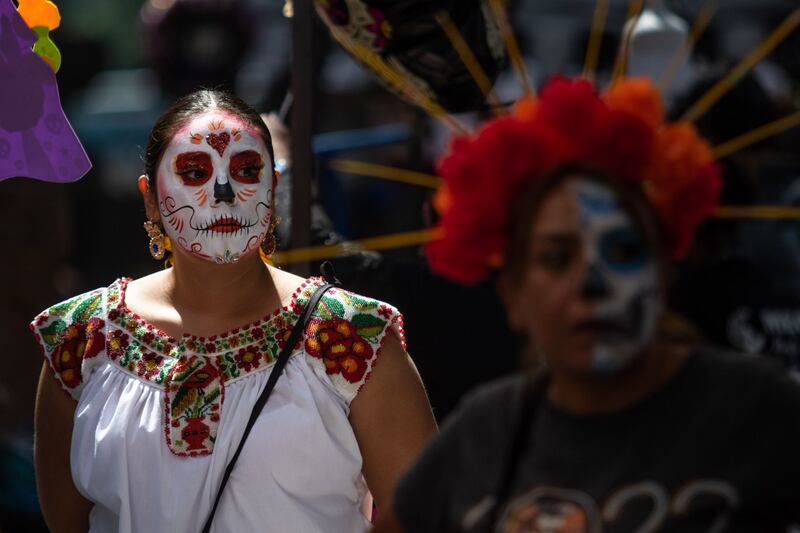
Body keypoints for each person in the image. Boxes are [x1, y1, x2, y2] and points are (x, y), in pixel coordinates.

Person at [374, 77, 800, 532]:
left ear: (662, 272)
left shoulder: (755, 408)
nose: (591, 283)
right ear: (514, 296)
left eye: (622, 252)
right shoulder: (485, 430)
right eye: (557, 258)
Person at [31, 89, 436, 533]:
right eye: (193, 172)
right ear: (150, 198)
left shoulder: (354, 337)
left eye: (246, 170)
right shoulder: (80, 341)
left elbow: (426, 516)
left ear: (273, 186)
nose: (223, 192)